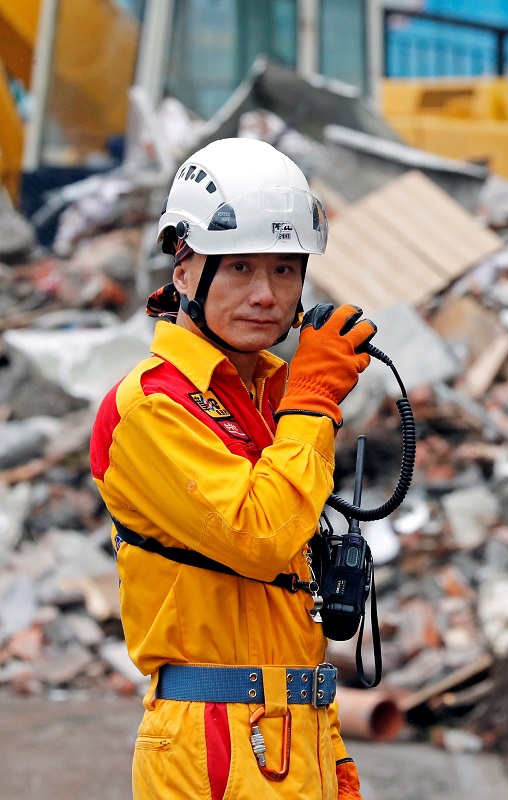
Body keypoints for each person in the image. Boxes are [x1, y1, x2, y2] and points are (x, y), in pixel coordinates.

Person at [90, 137, 376, 800]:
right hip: (211, 744)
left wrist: (328, 752)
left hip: (293, 733)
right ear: (184, 267)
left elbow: (282, 609)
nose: (266, 295)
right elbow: (262, 536)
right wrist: (312, 401)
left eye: (283, 269)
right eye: (240, 266)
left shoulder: (266, 401)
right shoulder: (151, 408)